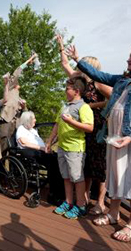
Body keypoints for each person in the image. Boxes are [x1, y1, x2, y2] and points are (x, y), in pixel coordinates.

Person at [68, 43, 131, 242]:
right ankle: (113, 214)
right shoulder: (125, 80)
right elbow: (100, 76)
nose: (128, 59)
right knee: (114, 176)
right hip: (114, 137)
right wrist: (77, 59)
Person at [56, 34, 113, 215]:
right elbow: (64, 64)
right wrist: (60, 45)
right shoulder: (80, 81)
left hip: (96, 127)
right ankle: (84, 199)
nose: (78, 68)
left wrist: (91, 105)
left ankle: (101, 202)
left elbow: (115, 99)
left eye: (83, 65)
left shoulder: (98, 84)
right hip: (80, 130)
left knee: (99, 166)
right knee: (85, 165)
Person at [45, 75, 94, 220]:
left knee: (77, 178)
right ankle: (68, 202)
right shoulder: (64, 106)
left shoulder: (84, 107)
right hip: (62, 147)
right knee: (66, 177)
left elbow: (89, 128)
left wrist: (72, 122)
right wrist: (49, 141)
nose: (65, 91)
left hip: (75, 149)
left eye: (67, 89)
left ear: (76, 90)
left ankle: (81, 206)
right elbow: (57, 125)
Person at [15, 111, 65, 205]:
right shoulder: (21, 129)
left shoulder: (33, 130)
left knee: (58, 160)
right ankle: (53, 195)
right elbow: (24, 143)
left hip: (40, 151)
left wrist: (47, 146)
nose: (35, 120)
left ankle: (59, 193)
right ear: (28, 120)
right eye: (34, 118)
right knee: (54, 164)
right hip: (28, 151)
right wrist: (42, 148)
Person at [0, 54, 37, 154]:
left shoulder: (18, 97)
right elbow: (17, 71)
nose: (18, 82)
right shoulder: (10, 88)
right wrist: (30, 60)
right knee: (3, 146)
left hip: (16, 125)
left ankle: (12, 169)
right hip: (6, 121)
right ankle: (0, 168)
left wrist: (24, 107)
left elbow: (25, 113)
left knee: (14, 149)